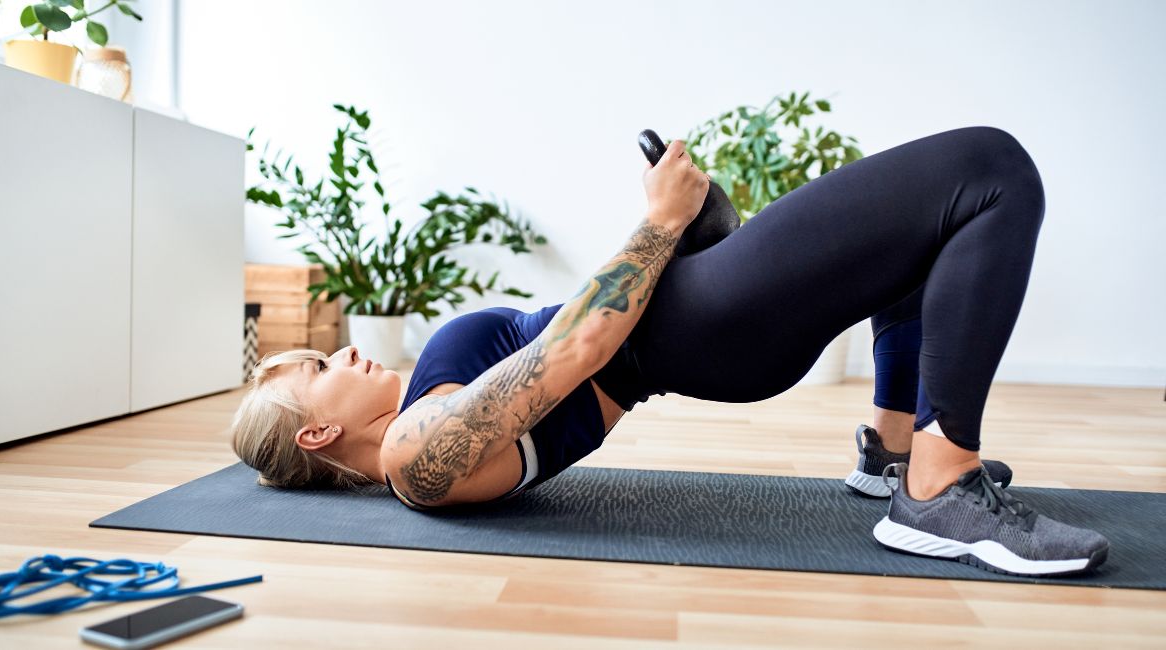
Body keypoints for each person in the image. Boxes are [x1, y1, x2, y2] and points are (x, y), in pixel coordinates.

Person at [231, 126, 1109, 577]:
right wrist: (659, 221)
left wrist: (681, 239)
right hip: (700, 335)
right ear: (313, 437)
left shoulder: (417, 416)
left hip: (692, 318)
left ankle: (894, 451)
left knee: (920, 240)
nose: (339, 352)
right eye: (316, 372)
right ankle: (936, 492)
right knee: (990, 171)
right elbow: (578, 347)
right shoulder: (415, 460)